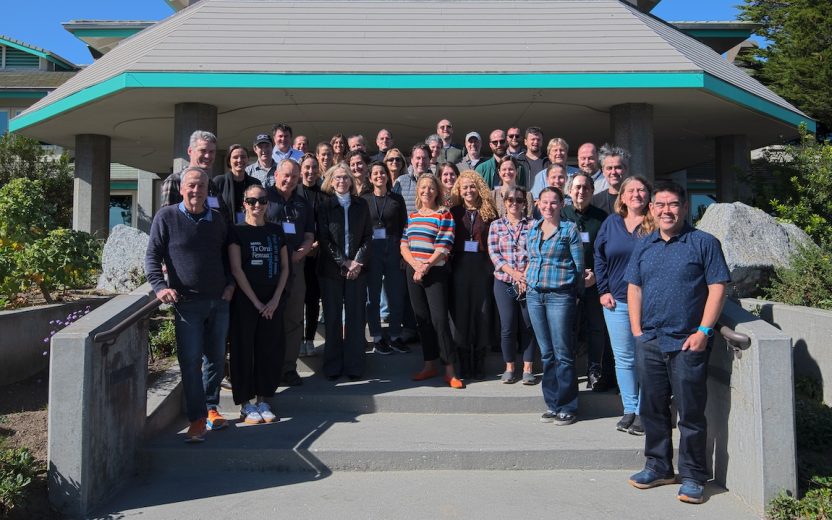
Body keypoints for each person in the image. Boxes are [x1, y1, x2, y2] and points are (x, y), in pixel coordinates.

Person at [625, 181, 729, 504]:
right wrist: (637, 331)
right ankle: (658, 467)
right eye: (660, 204)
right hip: (651, 341)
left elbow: (718, 287)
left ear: (685, 207)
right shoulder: (644, 245)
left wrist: (704, 332)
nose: (666, 210)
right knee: (653, 410)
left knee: (691, 413)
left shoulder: (704, 243)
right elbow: (634, 287)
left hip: (688, 343)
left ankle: (694, 475)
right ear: (652, 209)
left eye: (672, 204)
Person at [145, 167, 235, 442]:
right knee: (190, 361)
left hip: (219, 301)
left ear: (209, 192)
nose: (196, 191)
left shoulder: (218, 220)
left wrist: (230, 285)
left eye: (201, 187)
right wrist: (160, 288)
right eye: (192, 186)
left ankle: (211, 408)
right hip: (186, 304)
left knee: (216, 360)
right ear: (182, 189)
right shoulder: (166, 217)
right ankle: (196, 419)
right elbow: (152, 257)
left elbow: (228, 257)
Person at [595, 175, 653, 435]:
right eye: (630, 190)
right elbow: (599, 257)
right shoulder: (611, 223)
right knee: (624, 358)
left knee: (646, 358)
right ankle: (629, 408)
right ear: (622, 196)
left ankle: (644, 410)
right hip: (616, 301)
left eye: (641, 190)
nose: (636, 194)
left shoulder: (655, 225)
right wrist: (602, 290)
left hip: (649, 303)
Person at [228, 184, 289, 424]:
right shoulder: (236, 231)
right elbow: (236, 268)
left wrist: (274, 300)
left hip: (272, 301)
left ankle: (263, 399)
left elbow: (285, 267)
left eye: (262, 201)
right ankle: (245, 403)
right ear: (244, 203)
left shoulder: (276, 231)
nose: (257, 205)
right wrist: (256, 302)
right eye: (252, 201)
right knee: (243, 350)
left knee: (269, 350)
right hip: (246, 300)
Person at [525, 187, 583, 426]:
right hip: (534, 295)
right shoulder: (533, 230)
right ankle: (552, 403)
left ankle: (568, 405)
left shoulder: (569, 230)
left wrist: (575, 294)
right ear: (538, 204)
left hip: (560, 296)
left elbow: (579, 267)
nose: (548, 207)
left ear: (561, 204)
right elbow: (531, 260)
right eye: (544, 202)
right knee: (547, 353)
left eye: (553, 202)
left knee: (563, 353)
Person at [400, 174, 462, 389]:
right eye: (422, 187)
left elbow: (444, 245)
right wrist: (416, 266)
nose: (426, 191)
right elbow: (404, 245)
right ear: (418, 191)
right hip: (414, 272)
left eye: (431, 188)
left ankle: (450, 370)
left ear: (437, 191)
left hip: (434, 273)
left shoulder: (444, 215)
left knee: (439, 321)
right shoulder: (413, 215)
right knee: (422, 321)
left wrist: (425, 266)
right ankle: (429, 365)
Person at [317, 163, 373, 380]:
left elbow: (368, 237)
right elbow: (324, 239)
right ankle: (332, 366)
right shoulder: (324, 206)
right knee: (332, 319)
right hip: (331, 271)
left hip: (357, 271)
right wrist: (344, 262)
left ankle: (355, 366)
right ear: (331, 182)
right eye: (338, 177)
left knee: (355, 318)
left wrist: (356, 262)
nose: (342, 181)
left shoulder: (362, 205)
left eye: (346, 177)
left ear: (351, 181)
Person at [265, 159, 316, 386]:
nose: (289, 180)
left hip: (295, 268)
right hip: (268, 268)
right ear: (276, 174)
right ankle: (269, 368)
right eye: (285, 175)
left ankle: (288, 368)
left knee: (294, 318)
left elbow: (309, 235)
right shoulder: (263, 198)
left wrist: (301, 253)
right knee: (269, 319)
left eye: (294, 177)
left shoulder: (303, 203)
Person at [561, 173, 611, 394]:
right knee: (568, 328)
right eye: (577, 188)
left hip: (595, 282)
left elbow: (608, 252)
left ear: (592, 191)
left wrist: (596, 277)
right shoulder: (561, 215)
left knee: (596, 328)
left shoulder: (602, 218)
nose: (581, 192)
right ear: (570, 191)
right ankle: (568, 372)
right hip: (566, 281)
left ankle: (594, 371)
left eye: (586, 188)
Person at [448, 170, 498, 380]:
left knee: (482, 312)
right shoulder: (453, 211)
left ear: (479, 188)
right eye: (465, 187)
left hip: (482, 266)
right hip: (459, 266)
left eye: (472, 186)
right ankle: (463, 359)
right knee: (461, 313)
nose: (469, 190)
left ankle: (478, 359)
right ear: (459, 190)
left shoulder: (489, 212)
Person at [487, 185, 536, 385]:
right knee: (507, 326)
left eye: (519, 200)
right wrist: (514, 274)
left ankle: (528, 367)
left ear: (525, 204)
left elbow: (537, 252)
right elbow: (494, 254)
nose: (514, 203)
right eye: (510, 200)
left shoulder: (533, 225)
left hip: (528, 282)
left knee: (528, 325)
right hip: (504, 281)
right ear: (504, 203)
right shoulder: (496, 226)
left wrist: (524, 276)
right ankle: (509, 367)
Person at [362, 161, 409, 354]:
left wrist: (404, 254)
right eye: (375, 173)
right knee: (372, 297)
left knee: (396, 295)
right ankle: (378, 337)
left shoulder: (397, 199)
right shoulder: (364, 199)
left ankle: (395, 335)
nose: (379, 176)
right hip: (372, 249)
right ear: (370, 177)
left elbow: (404, 227)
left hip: (394, 247)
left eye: (382, 173)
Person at [296, 153, 326, 357]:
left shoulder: (324, 194)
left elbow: (327, 224)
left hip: (317, 253)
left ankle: (309, 338)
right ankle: (297, 339)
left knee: (313, 299)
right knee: (298, 299)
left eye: (314, 167)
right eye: (307, 167)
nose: (310, 171)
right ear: (301, 170)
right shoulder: (294, 193)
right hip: (297, 254)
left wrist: (317, 244)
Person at [160, 130, 220, 207]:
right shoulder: (174, 181)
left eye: (211, 152)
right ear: (190, 151)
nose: (207, 156)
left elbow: (220, 215)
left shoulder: (212, 186)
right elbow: (167, 217)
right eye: (203, 151)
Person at [213, 144, 262, 225]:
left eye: (243, 157)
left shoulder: (255, 183)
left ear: (247, 159)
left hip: (250, 228)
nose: (239, 160)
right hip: (225, 230)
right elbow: (213, 208)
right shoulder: (219, 182)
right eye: (235, 157)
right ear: (229, 161)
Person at [592, 144, 629, 214]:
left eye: (618, 167)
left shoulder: (635, 198)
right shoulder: (595, 201)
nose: (613, 172)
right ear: (603, 171)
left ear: (626, 169)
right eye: (609, 168)